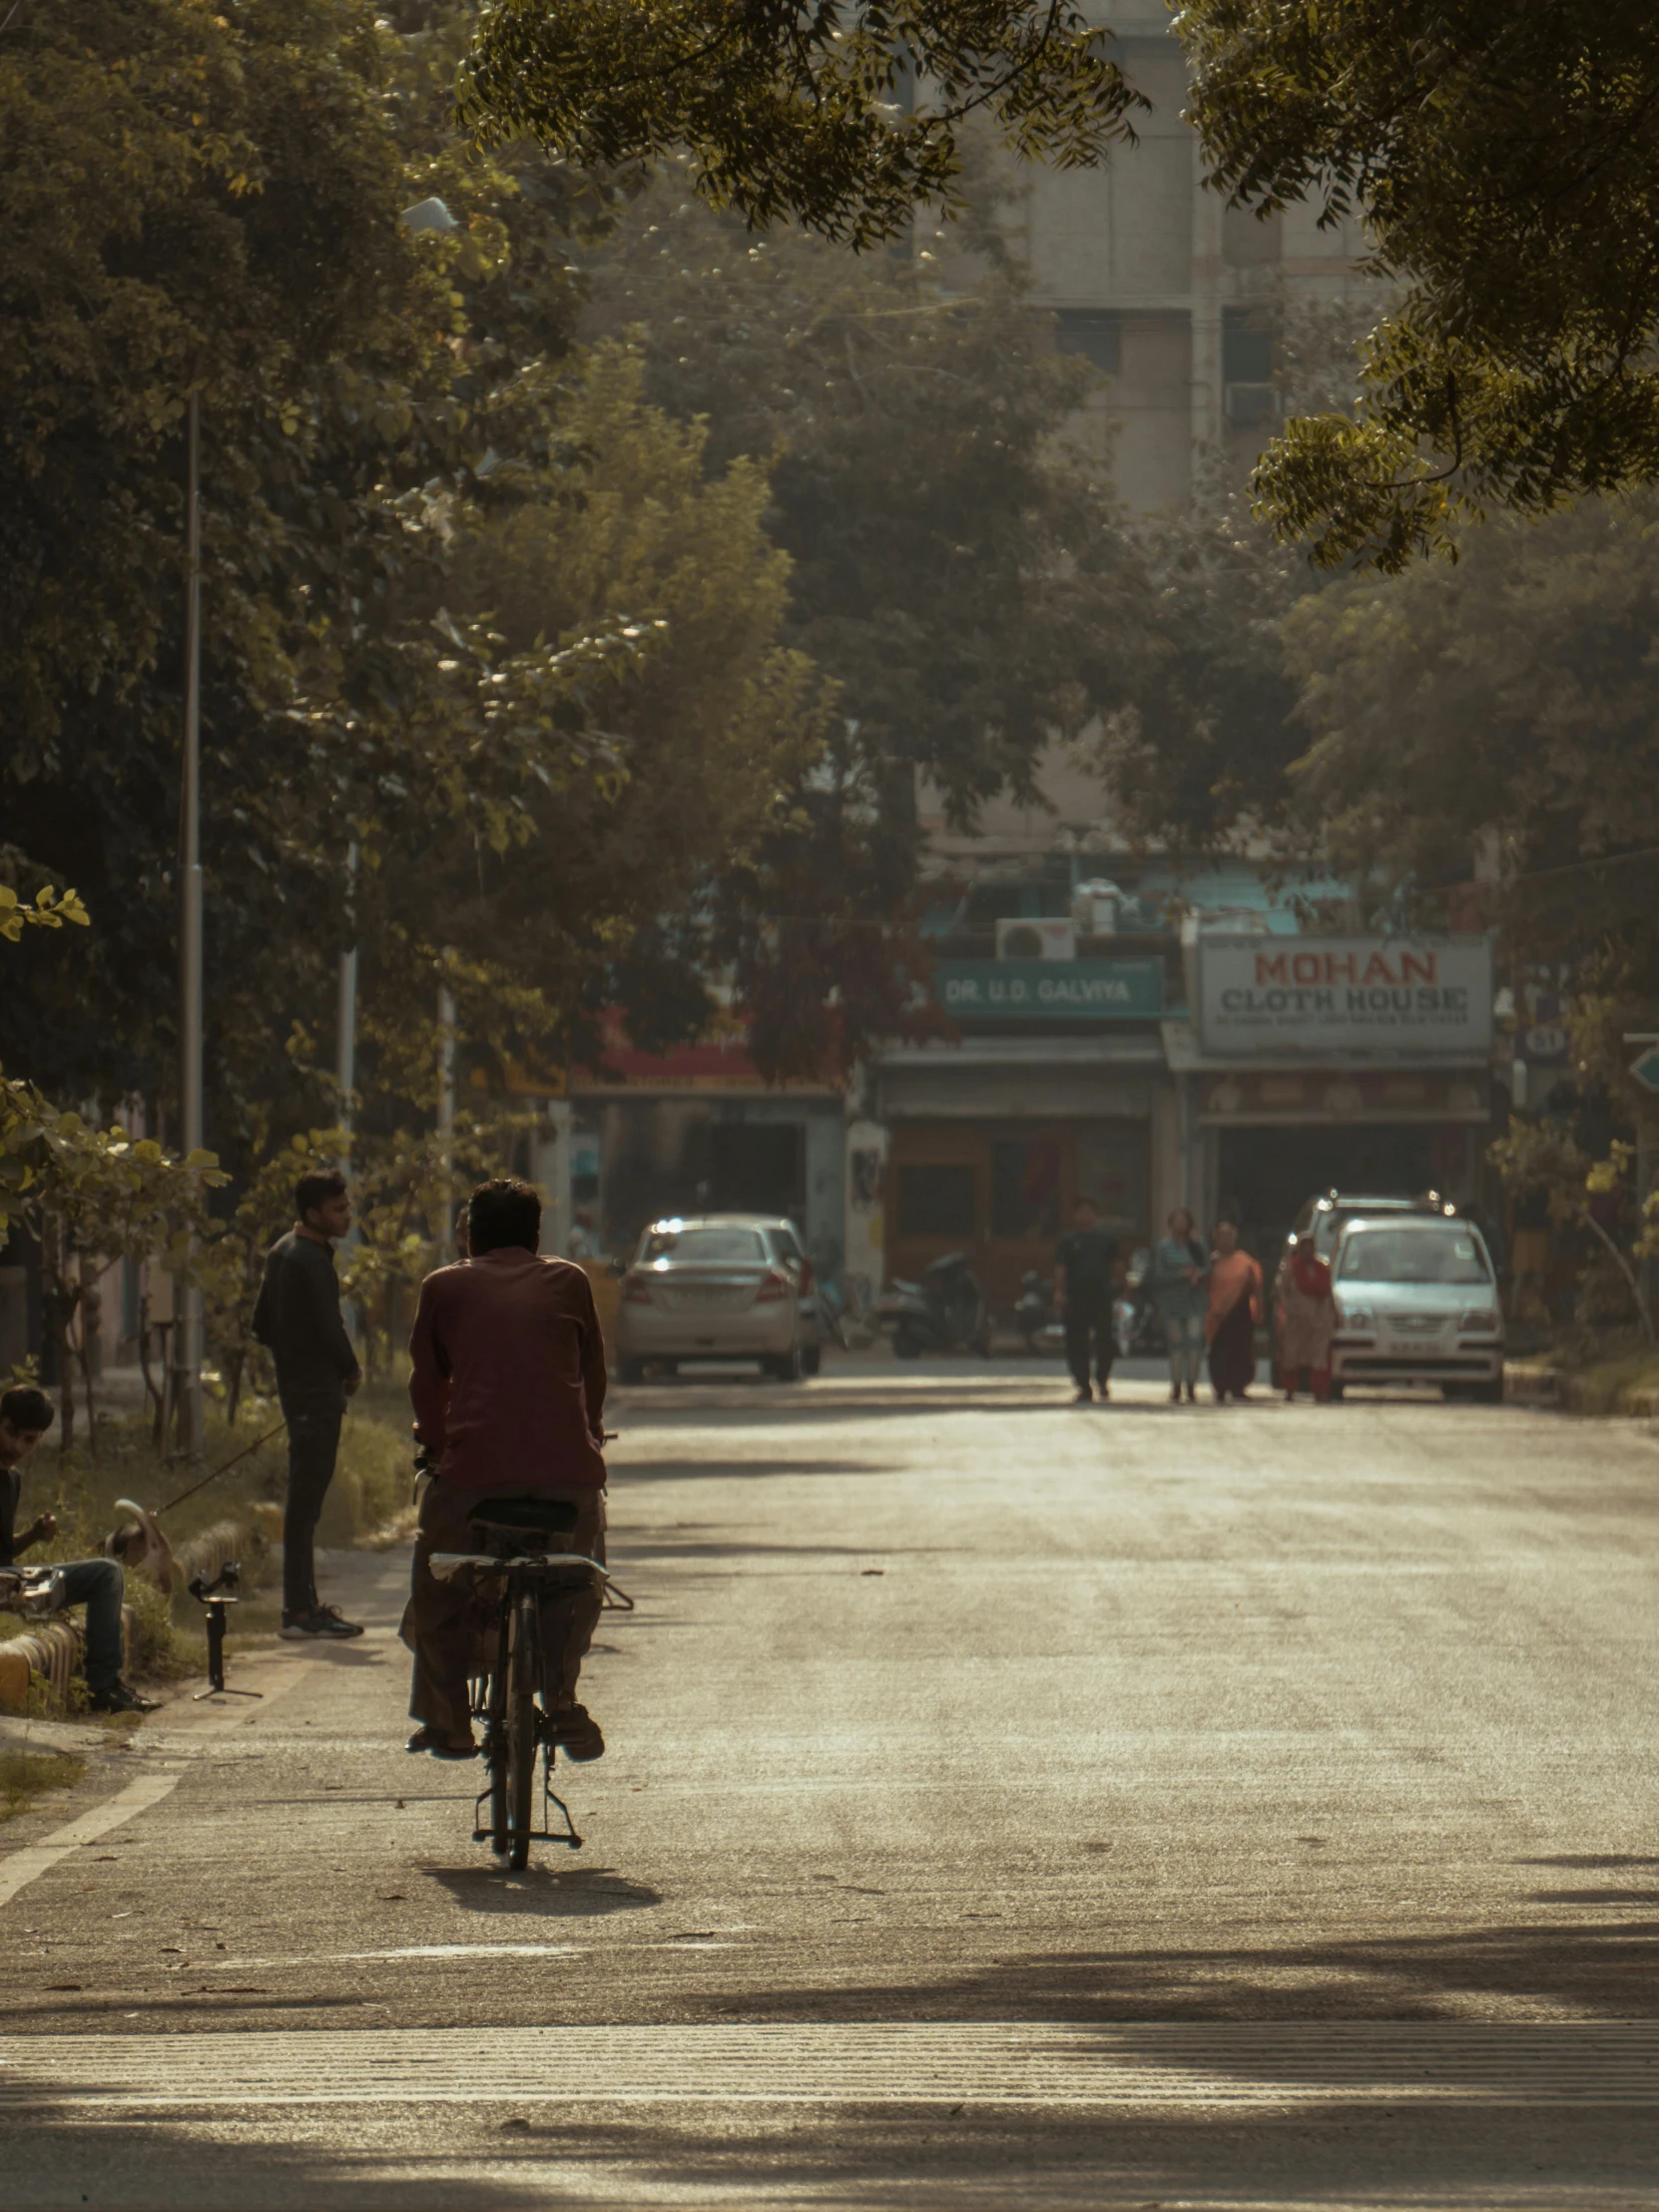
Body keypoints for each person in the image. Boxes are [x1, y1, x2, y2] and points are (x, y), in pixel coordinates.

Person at [402, 1176, 610, 1762]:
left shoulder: (443, 1287)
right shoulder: (570, 1281)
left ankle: (448, 1722)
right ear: (536, 1235)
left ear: (471, 1236)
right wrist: (590, 1434)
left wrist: (438, 1443)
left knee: (438, 1577)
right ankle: (562, 1698)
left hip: (472, 1476)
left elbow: (427, 1381)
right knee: (578, 1573)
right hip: (568, 1477)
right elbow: (592, 1373)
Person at [252, 1167, 365, 1640]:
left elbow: (261, 1325)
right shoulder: (312, 1260)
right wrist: (349, 1369)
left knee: (302, 1506)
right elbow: (329, 1327)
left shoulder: (283, 1250)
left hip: (296, 1391)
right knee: (305, 1507)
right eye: (338, 1209)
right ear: (313, 1212)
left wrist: (291, 1360)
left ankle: (303, 1606)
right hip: (317, 1397)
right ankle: (299, 1611)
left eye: (346, 1206)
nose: (347, 1215)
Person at [0, 1384, 157, 1713]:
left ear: (39, 1439)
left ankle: (106, 1686)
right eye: (11, 1433)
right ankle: (102, 1687)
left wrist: (34, 1534)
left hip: (7, 1583)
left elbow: (4, 1553)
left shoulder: (10, 1479)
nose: (16, 1445)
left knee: (105, 1574)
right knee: (107, 1572)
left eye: (27, 1439)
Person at [1055, 1195, 1123, 1404]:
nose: (1085, 1215)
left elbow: (1117, 1264)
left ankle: (1102, 1378)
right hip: (1076, 1297)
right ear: (1075, 1215)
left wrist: (1122, 1286)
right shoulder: (1068, 1240)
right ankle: (1083, 1385)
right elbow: (1061, 1268)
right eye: (1081, 1211)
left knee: (1105, 1340)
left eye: (1089, 1211)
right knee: (1077, 1342)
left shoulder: (1106, 1239)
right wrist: (1059, 1291)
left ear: (1096, 1215)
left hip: (1102, 1296)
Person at [1148, 1207, 1209, 1404]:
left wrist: (1197, 1275)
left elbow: (1207, 1267)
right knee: (1176, 1345)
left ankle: (1191, 1384)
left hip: (1194, 1300)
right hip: (1172, 1301)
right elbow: (1158, 1274)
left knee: (1194, 1342)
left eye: (1184, 1220)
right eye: (1177, 1220)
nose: (1180, 1224)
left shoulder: (1197, 1245)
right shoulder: (1163, 1248)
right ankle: (1176, 1385)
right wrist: (1179, 1275)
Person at [1205, 1218, 1262, 1402]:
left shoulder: (1245, 1262)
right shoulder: (1210, 1263)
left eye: (1229, 1236)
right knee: (1218, 1353)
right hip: (1217, 1315)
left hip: (1240, 1313)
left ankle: (1238, 1387)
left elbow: (1256, 1288)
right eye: (1222, 1236)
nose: (1226, 1240)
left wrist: (1260, 1309)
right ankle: (1220, 1387)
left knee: (1241, 1351)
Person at [1278, 1232, 1336, 1402]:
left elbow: (1329, 1293)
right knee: (1291, 1356)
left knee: (1319, 1357)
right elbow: (1282, 1291)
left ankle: (1320, 1392)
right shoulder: (1291, 1268)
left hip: (1319, 1320)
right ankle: (1289, 1391)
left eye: (1311, 1247)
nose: (1308, 1251)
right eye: (1304, 1247)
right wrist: (1287, 1310)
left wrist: (1333, 1314)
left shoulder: (1322, 1268)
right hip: (1296, 1320)